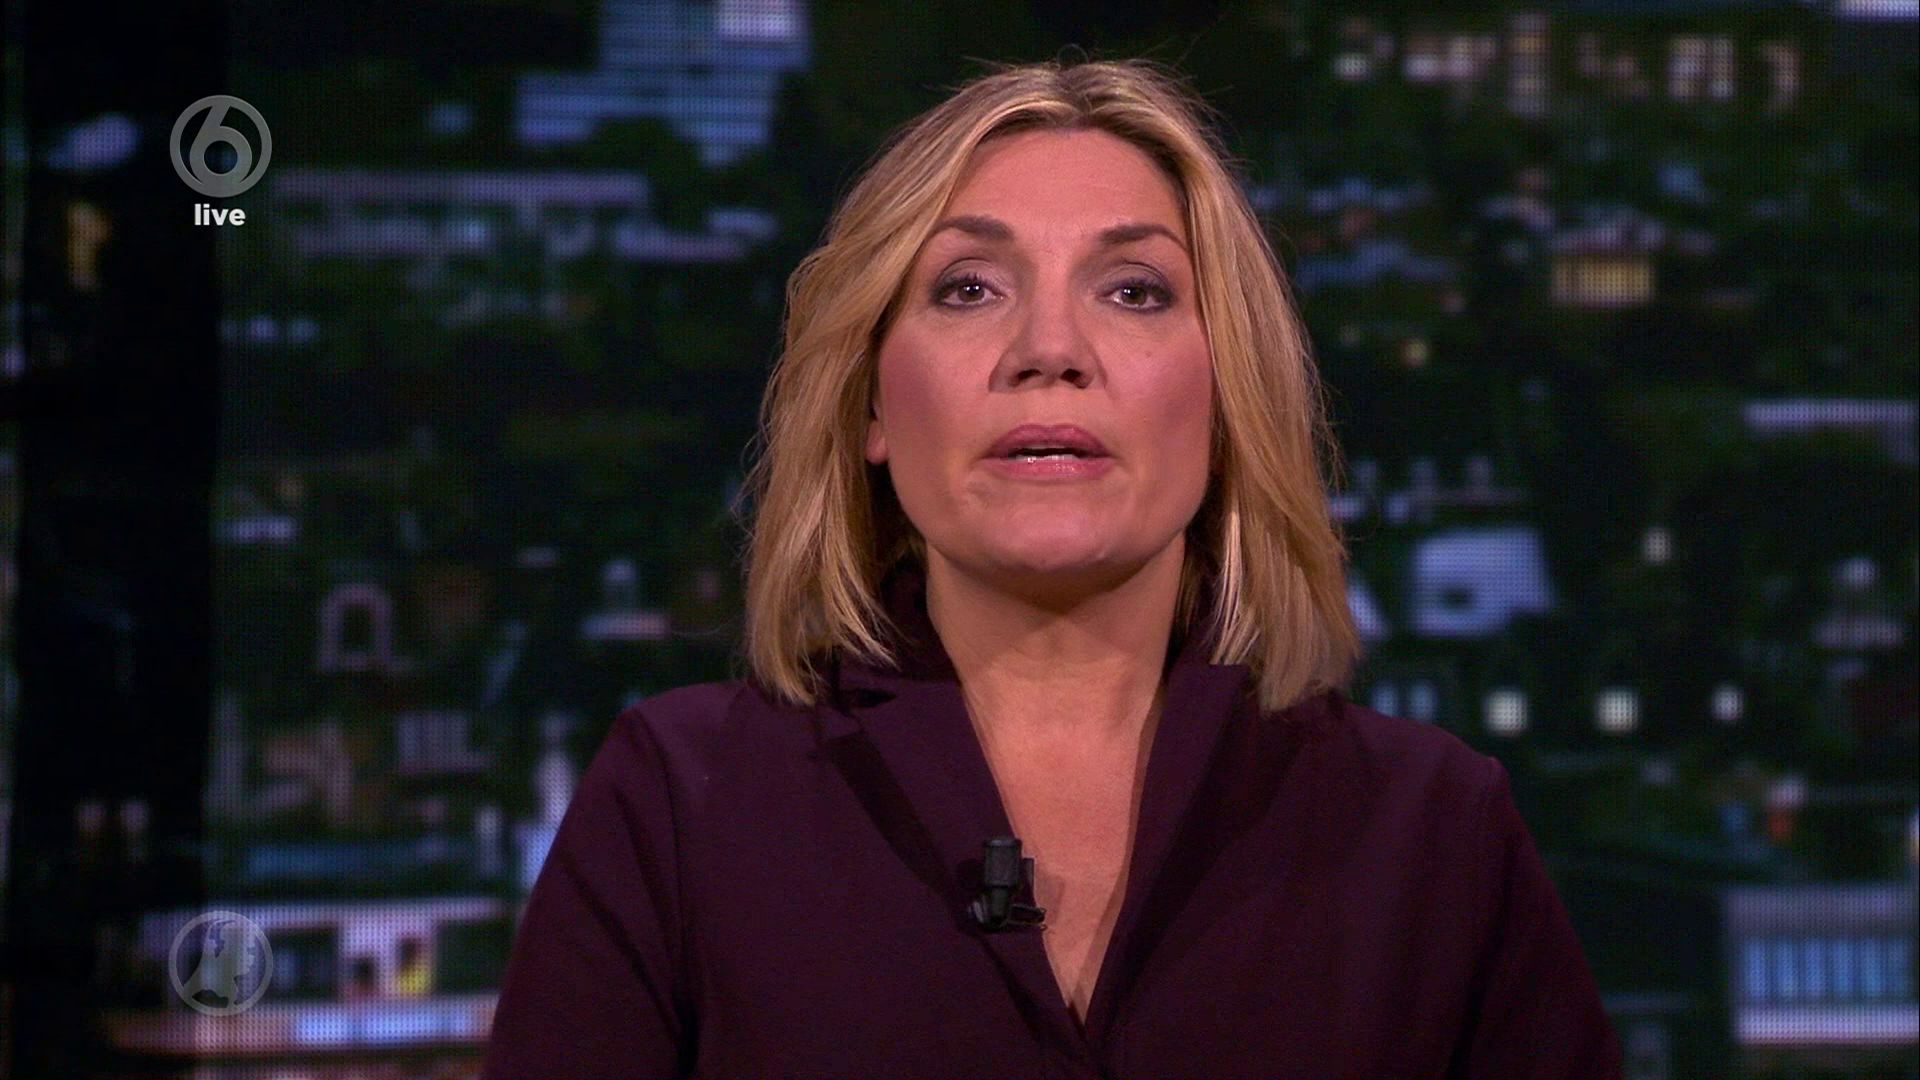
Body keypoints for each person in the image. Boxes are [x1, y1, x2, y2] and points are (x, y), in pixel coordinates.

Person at [483, 57, 1623, 1079]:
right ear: (871, 401)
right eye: (968, 288)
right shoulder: (679, 805)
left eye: (1134, 291)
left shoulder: (1432, 833)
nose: (1050, 351)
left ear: (1228, 395)